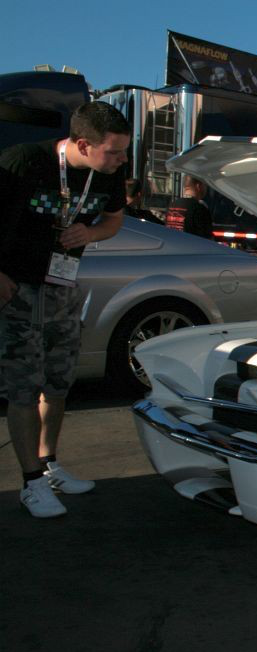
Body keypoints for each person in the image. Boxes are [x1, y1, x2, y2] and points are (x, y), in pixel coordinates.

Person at [0, 101, 130, 517]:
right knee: (23, 386)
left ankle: (49, 464)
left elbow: (113, 222)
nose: (122, 160)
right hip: (16, 290)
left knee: (58, 383)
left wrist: (90, 233)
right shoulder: (24, 161)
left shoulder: (109, 173)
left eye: (124, 151)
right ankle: (31, 483)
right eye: (114, 151)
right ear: (83, 145)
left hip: (62, 288)